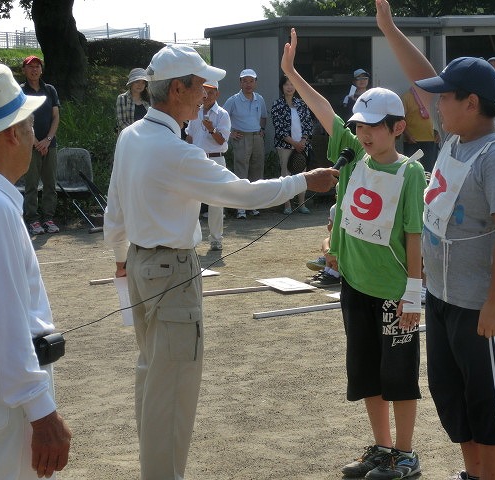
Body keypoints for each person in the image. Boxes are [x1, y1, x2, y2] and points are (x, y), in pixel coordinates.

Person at [102, 44, 338, 480]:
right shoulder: (174, 151)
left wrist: (121, 261)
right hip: (169, 269)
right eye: (199, 85)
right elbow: (242, 193)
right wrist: (304, 179)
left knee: (153, 378)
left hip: (139, 266)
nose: (206, 93)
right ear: (176, 89)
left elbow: (114, 211)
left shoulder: (132, 136)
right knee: (171, 391)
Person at [375, 1, 495, 479]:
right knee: (450, 392)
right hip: (442, 297)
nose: (432, 103)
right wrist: (390, 28)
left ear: (472, 103)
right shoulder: (457, 137)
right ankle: (472, 472)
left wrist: (494, 301)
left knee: (485, 398)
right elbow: (425, 76)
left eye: (445, 97)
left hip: (475, 303)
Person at [282, 28, 426, 480]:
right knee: (365, 370)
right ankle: (381, 449)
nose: (363, 133)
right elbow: (324, 110)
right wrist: (291, 72)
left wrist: (414, 294)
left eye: (373, 126)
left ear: (397, 127)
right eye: (359, 125)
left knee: (399, 372)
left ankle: (405, 453)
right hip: (355, 286)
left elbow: (414, 236)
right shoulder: (350, 154)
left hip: (395, 292)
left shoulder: (411, 172)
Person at [0, 64, 71, 479]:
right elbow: (6, 322)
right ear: (9, 133)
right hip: (1, 393)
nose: (32, 132)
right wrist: (43, 415)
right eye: (27, 123)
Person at [185, 79, 231, 251]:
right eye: (204, 91)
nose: (206, 95)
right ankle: (190, 239)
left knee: (216, 201)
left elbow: (221, 141)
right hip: (196, 159)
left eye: (210, 92)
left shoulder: (222, 114)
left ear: (217, 94)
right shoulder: (194, 112)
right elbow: (190, 136)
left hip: (216, 159)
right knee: (191, 199)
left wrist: (211, 129)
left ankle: (216, 239)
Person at [20, 55, 61, 235]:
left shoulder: (50, 90)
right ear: (24, 70)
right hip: (30, 145)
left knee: (50, 183)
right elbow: (21, 120)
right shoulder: (20, 91)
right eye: (30, 67)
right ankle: (32, 219)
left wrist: (48, 140)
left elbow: (56, 117)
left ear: (41, 70)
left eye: (37, 66)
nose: (34, 69)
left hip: (50, 144)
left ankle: (48, 218)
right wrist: (36, 142)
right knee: (31, 184)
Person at [222, 68, 268, 218]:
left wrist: (262, 129)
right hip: (241, 138)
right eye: (245, 81)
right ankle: (241, 208)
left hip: (256, 138)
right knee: (241, 172)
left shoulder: (259, 99)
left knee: (257, 171)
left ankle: (254, 206)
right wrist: (230, 134)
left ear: (256, 83)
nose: (248, 84)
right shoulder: (233, 100)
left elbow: (263, 117)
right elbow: (222, 118)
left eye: (251, 81)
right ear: (240, 83)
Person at [271, 74, 314, 214]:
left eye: (292, 84)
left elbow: (308, 124)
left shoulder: (302, 104)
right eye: (286, 84)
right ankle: (287, 205)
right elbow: (279, 128)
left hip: (302, 145)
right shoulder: (277, 105)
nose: (289, 87)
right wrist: (294, 143)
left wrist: (303, 141)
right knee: (286, 175)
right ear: (281, 87)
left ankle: (302, 204)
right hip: (285, 145)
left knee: (302, 174)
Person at [401, 86, 437, 172]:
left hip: (430, 139)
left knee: (429, 170)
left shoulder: (432, 96)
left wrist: (438, 132)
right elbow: (400, 119)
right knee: (410, 169)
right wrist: (407, 135)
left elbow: (438, 115)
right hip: (412, 140)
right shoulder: (406, 97)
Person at [306, 204, 341, 287]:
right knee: (330, 244)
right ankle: (327, 268)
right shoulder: (335, 208)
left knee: (338, 248)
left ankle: (335, 272)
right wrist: (327, 251)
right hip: (334, 253)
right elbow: (327, 239)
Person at [116, 67, 150, 133]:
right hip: (129, 137)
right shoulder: (122, 98)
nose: (140, 85)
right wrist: (137, 134)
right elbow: (122, 122)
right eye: (137, 81)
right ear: (131, 83)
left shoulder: (149, 99)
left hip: (147, 135)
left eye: (143, 82)